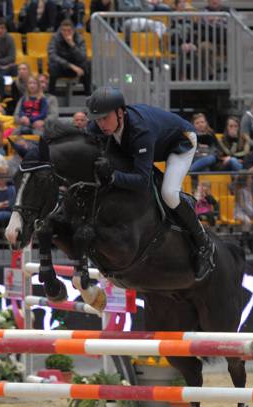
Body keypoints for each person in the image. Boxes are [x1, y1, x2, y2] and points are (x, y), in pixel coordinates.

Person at [87, 86, 216, 281]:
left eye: (105, 118)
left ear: (120, 112)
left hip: (180, 143)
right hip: (154, 144)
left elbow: (141, 181)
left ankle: (204, 242)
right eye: (98, 119)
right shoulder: (102, 124)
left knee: (169, 194)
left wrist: (113, 176)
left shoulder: (140, 131)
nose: (101, 124)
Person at [47, 19, 91, 96]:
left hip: (76, 69)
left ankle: (89, 97)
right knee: (52, 66)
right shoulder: (55, 38)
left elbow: (82, 57)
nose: (66, 33)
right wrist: (71, 66)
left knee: (87, 64)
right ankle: (51, 97)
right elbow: (52, 55)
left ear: (73, 31)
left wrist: (72, 45)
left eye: (69, 30)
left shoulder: (79, 38)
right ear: (60, 30)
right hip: (61, 67)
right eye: (64, 30)